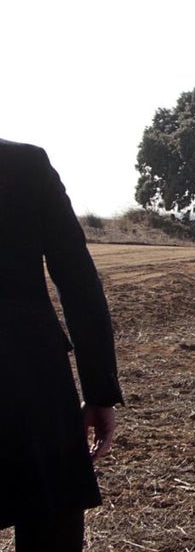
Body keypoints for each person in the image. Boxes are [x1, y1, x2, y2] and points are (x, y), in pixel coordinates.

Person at [1, 139, 123, 551]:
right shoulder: (26, 164)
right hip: (31, 380)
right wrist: (99, 391)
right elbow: (78, 281)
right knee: (49, 525)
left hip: (32, 378)